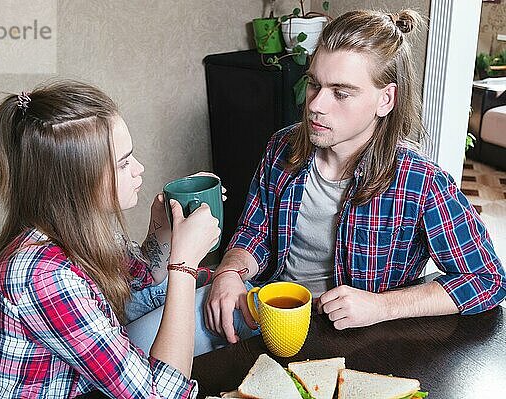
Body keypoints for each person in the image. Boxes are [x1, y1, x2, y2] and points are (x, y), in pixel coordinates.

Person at [204, 9, 506, 344]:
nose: (316, 105)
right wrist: (229, 271)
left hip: (353, 337)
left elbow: (486, 280)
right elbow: (253, 232)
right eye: (314, 84)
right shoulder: (282, 147)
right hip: (269, 309)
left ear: (385, 99)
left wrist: (380, 306)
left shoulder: (421, 182)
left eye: (341, 92)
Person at [0, 80, 221, 398]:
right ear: (76, 182)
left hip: (86, 384)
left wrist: (164, 230)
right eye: (123, 163)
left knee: (224, 294)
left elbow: (143, 277)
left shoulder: (78, 227)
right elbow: (162, 396)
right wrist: (185, 265)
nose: (139, 169)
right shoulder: (42, 276)